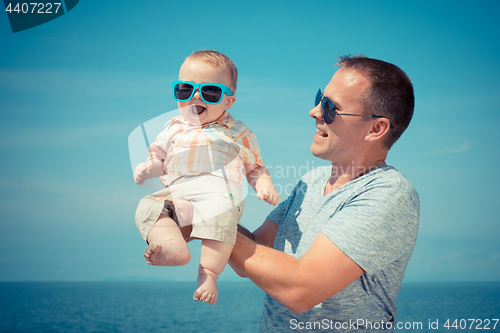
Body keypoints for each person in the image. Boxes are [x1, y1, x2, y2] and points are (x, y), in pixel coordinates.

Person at [229, 55, 419, 332]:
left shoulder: (389, 195)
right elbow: (255, 254)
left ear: (376, 129)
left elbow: (301, 290)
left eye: (330, 107)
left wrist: (206, 226)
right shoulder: (310, 182)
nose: (314, 111)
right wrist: (197, 208)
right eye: (320, 98)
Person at [134, 50, 279, 305]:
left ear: (228, 102)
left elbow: (254, 167)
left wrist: (263, 184)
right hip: (179, 196)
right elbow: (159, 158)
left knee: (221, 224)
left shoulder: (237, 131)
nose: (196, 96)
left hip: (218, 193)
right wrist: (150, 168)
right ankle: (169, 244)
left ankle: (208, 274)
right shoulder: (173, 127)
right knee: (149, 205)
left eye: (210, 92)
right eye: (185, 89)